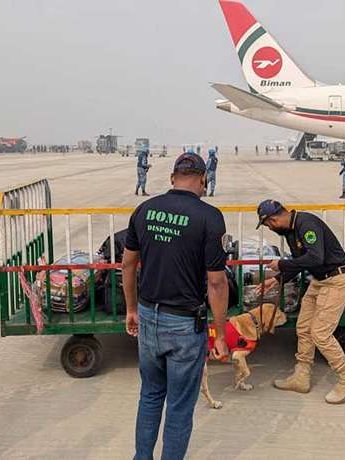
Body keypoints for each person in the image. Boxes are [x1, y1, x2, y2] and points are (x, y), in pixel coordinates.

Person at [122, 153, 230, 460]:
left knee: (151, 395)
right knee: (180, 407)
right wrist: (220, 334)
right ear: (203, 180)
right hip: (183, 324)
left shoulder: (144, 210)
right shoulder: (209, 217)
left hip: (147, 317)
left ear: (172, 178)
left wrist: (131, 309)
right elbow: (217, 283)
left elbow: (128, 264)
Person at [255, 199, 345, 404]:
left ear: (274, 219)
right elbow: (299, 264)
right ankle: (301, 377)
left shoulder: (306, 224)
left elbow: (315, 258)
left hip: (336, 280)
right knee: (303, 328)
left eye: (268, 225)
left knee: (320, 333)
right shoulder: (291, 231)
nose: (270, 229)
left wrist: (281, 264)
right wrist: (276, 281)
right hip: (319, 280)